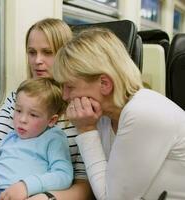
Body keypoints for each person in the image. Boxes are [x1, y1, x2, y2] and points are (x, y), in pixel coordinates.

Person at [52, 27, 185, 200]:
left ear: (105, 84)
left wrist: (86, 130)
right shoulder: (106, 117)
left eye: (70, 86)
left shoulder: (143, 112)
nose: (64, 96)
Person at [0, 18, 94, 200]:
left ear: (66, 54)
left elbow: (84, 185)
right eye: (32, 52)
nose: (37, 60)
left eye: (47, 52)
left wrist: (45, 197)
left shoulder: (82, 109)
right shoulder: (18, 100)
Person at [0, 78, 73, 200]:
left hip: (30, 195)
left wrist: (27, 186)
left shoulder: (53, 138)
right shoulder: (9, 137)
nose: (22, 119)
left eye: (33, 114)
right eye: (18, 110)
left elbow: (64, 176)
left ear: (51, 120)